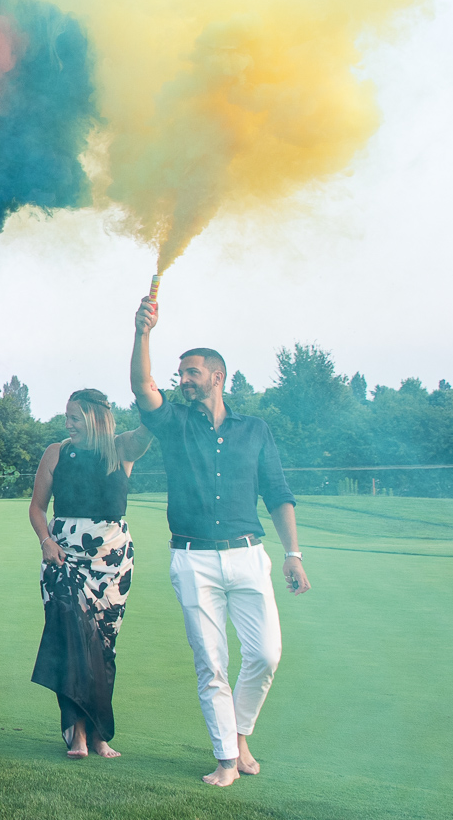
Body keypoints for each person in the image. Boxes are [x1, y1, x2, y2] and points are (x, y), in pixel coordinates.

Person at [132, 296, 310, 787]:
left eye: (192, 372)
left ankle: (240, 733)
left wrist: (292, 554)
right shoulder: (174, 423)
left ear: (217, 376)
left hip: (249, 556)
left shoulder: (256, 430)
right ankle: (226, 759)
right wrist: (142, 332)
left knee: (266, 656)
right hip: (193, 560)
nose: (183, 379)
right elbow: (142, 388)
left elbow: (278, 494)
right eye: (181, 372)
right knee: (212, 663)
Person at [28, 389, 154, 757]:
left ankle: (99, 733)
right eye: (66, 417)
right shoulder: (56, 452)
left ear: (97, 418)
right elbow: (37, 508)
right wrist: (45, 542)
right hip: (63, 557)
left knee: (103, 646)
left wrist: (149, 388)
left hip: (111, 562)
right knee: (69, 641)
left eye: (75, 418)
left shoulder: (122, 448)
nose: (67, 424)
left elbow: (152, 425)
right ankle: (76, 733)